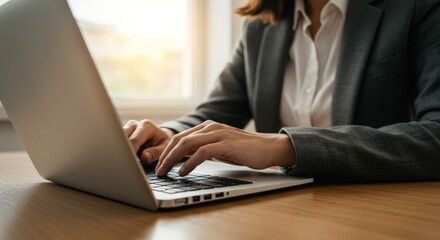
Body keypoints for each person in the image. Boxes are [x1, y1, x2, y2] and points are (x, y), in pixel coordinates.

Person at [123, 0, 440, 181]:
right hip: (283, 213)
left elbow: (435, 135)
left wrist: (286, 146)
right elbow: (212, 114)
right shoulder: (260, 26)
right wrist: (168, 135)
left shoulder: (418, 7)